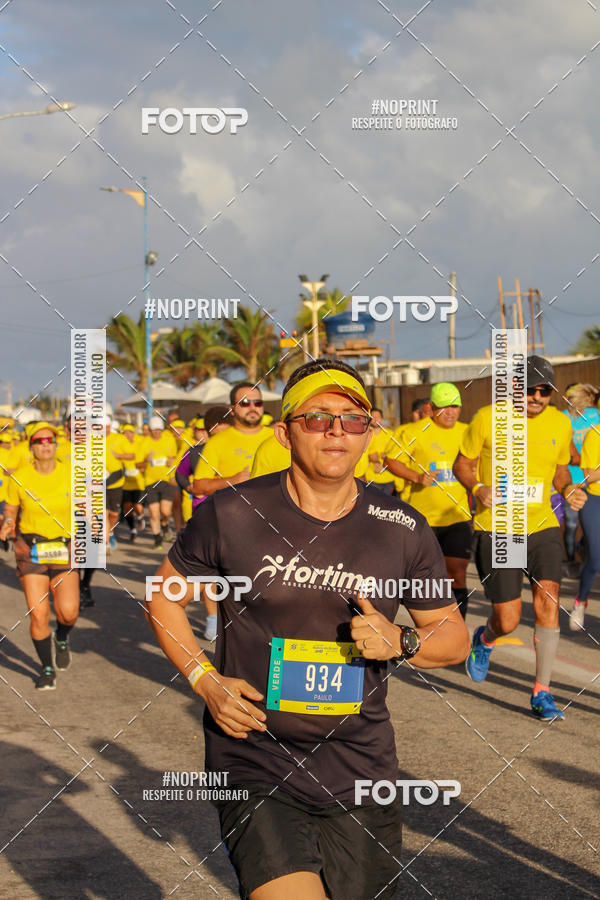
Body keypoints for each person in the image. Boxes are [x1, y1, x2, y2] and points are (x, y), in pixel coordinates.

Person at [146, 358, 469, 900]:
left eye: (353, 418)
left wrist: (403, 641)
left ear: (370, 431)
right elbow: (164, 594)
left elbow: (452, 636)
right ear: (285, 431)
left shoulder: (402, 527)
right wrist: (205, 680)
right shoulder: (233, 512)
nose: (337, 430)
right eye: (318, 418)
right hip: (254, 756)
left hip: (362, 765)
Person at [454, 356, 587, 719]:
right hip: (499, 527)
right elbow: (461, 464)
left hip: (542, 523)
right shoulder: (487, 418)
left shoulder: (560, 423)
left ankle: (542, 692)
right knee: (508, 619)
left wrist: (569, 487)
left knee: (548, 601)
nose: (536, 396)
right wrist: (478, 487)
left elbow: (560, 472)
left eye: (544, 390)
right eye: (529, 389)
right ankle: (485, 639)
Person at [0, 422, 79, 690]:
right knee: (38, 613)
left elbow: (87, 504)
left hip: (65, 548)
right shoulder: (19, 477)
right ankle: (46, 668)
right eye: (39, 440)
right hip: (31, 548)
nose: (46, 444)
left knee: (68, 612)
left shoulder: (72, 473)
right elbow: (11, 507)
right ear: (31, 446)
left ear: (56, 444)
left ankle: (62, 637)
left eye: (50, 440)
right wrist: (8, 522)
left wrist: (96, 525)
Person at [385, 383, 472, 618]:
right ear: (431, 408)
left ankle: (456, 633)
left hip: (457, 516)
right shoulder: (413, 431)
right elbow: (390, 460)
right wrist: (416, 476)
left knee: (457, 573)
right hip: (422, 520)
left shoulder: (467, 431)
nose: (451, 412)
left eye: (455, 406)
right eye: (444, 407)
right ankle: (425, 630)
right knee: (424, 580)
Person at [192, 383, 271, 498]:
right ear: (232, 410)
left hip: (277, 512)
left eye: (257, 403)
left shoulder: (279, 436)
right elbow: (198, 487)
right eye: (245, 403)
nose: (253, 408)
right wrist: (232, 481)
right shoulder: (216, 442)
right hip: (236, 512)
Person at [561, 383, 600, 574]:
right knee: (571, 522)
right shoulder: (563, 418)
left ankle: (584, 547)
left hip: (593, 478)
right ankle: (570, 561)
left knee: (591, 523)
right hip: (573, 478)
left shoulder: (594, 414)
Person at [570, 414, 600, 630]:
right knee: (596, 559)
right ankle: (581, 601)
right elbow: (587, 476)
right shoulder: (594, 434)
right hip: (594, 499)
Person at [141, 415, 178, 550]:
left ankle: (165, 524)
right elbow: (138, 464)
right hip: (150, 481)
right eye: (154, 429)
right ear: (150, 430)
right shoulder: (144, 443)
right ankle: (157, 539)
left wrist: (171, 462)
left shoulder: (169, 440)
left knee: (165, 511)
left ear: (162, 430)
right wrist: (146, 460)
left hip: (166, 480)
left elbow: (174, 458)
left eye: (159, 429)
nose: (156, 432)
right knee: (153, 513)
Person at [121, 424, 146, 543]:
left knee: (137, 506)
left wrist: (140, 465)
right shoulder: (119, 446)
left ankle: (140, 517)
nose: (127, 434)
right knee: (127, 507)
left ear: (133, 434)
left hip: (137, 481)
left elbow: (139, 461)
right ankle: (133, 530)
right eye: (125, 432)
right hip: (125, 482)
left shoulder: (138, 445)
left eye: (129, 432)